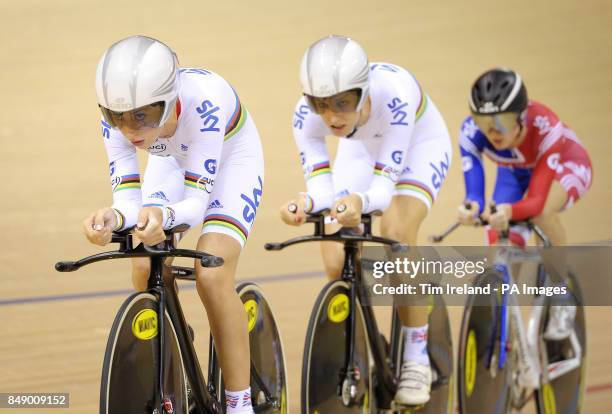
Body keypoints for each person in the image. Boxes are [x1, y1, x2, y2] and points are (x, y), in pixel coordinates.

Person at [82, 35, 263, 414]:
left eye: (141, 116)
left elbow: (196, 205)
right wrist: (112, 218)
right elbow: (128, 202)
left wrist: (162, 217)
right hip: (169, 159)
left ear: (167, 101)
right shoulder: (116, 120)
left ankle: (239, 401)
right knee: (144, 262)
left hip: (231, 161)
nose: (129, 129)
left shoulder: (205, 103)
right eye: (117, 117)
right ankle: (176, 342)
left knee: (211, 274)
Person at [281, 35, 452, 405]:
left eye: (343, 103)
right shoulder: (304, 116)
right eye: (320, 104)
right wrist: (305, 201)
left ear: (363, 91)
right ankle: (374, 342)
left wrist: (359, 201)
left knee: (396, 230)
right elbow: (323, 192)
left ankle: (417, 356)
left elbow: (383, 192)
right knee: (334, 254)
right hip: (360, 150)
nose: (331, 116)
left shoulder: (395, 96)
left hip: (418, 148)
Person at [457, 68, 592, 342]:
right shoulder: (471, 133)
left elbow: (536, 201)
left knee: (541, 215)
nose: (493, 131)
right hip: (515, 171)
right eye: (484, 122)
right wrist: (472, 206)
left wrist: (508, 211)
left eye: (503, 121)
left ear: (521, 116)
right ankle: (507, 333)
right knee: (499, 249)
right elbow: (475, 192)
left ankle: (560, 293)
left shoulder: (547, 128)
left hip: (564, 165)